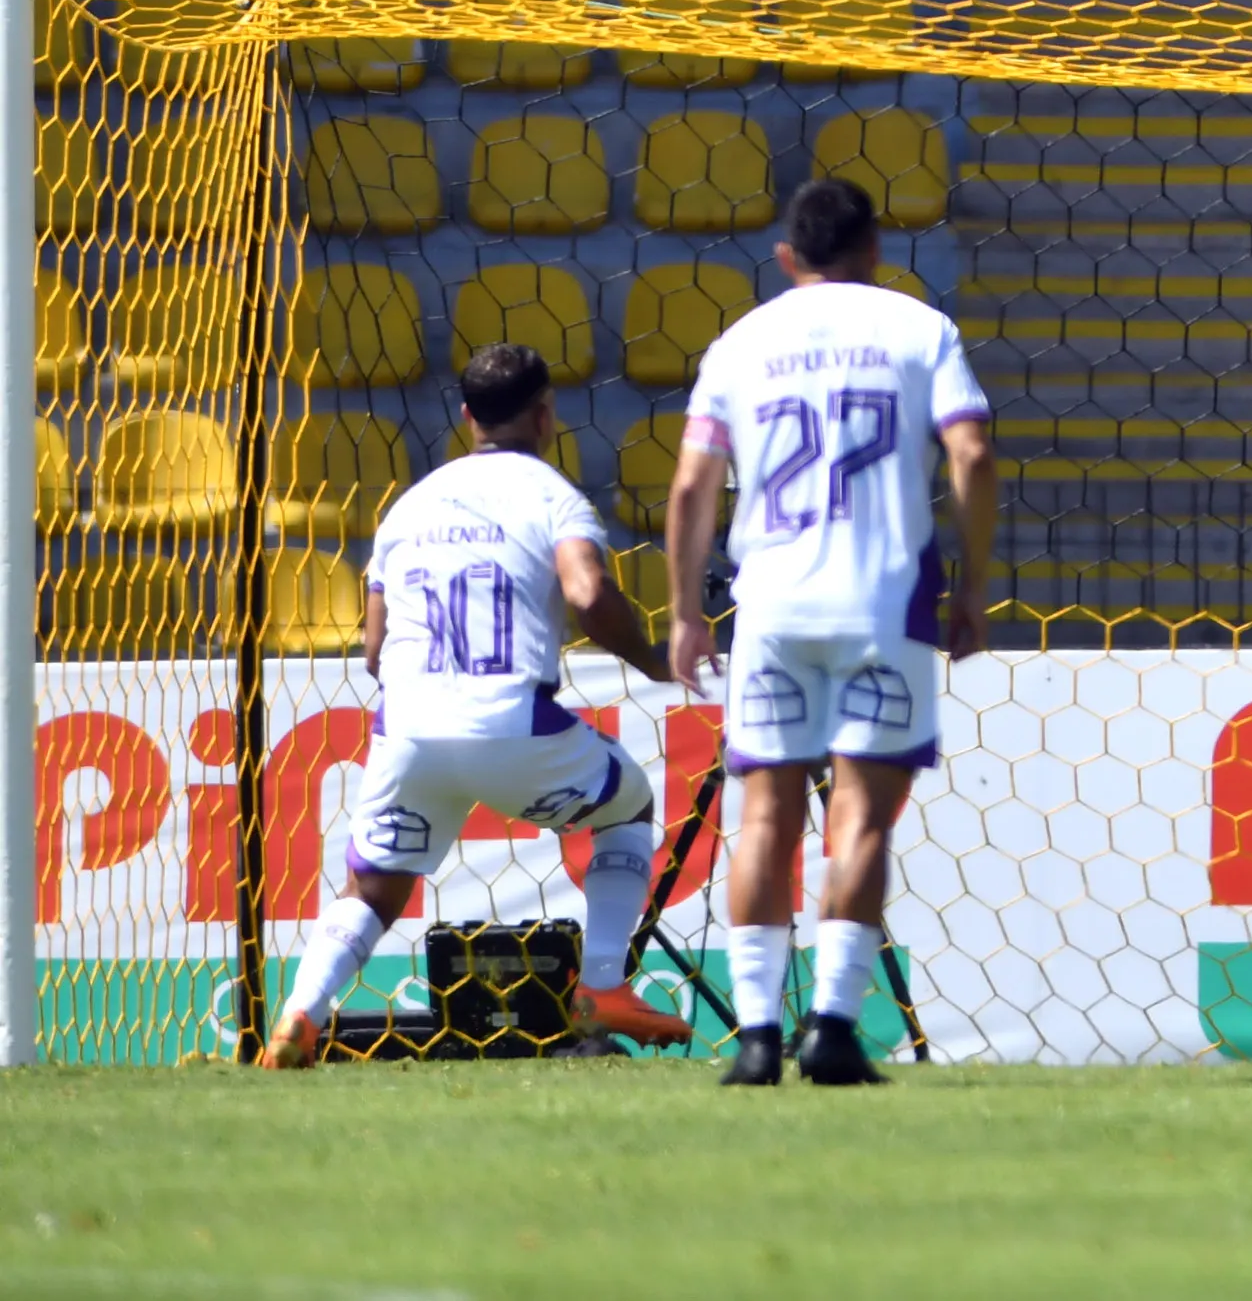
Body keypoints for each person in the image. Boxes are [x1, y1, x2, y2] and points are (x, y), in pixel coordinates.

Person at [261, 344, 687, 1067]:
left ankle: (300, 1012)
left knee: (371, 889)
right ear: (546, 415)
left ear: (465, 417)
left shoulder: (407, 507)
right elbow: (588, 596)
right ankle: (606, 986)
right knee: (630, 807)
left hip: (409, 729)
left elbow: (373, 649)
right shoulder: (553, 496)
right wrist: (653, 659)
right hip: (510, 722)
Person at [666, 175, 998, 1089]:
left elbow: (694, 485)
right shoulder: (918, 329)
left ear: (786, 258)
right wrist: (972, 585)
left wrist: (689, 611)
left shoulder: (740, 342)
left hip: (769, 602)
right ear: (877, 250)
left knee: (764, 815)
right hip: (883, 603)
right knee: (860, 811)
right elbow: (970, 449)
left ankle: (757, 1036)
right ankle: (835, 1028)